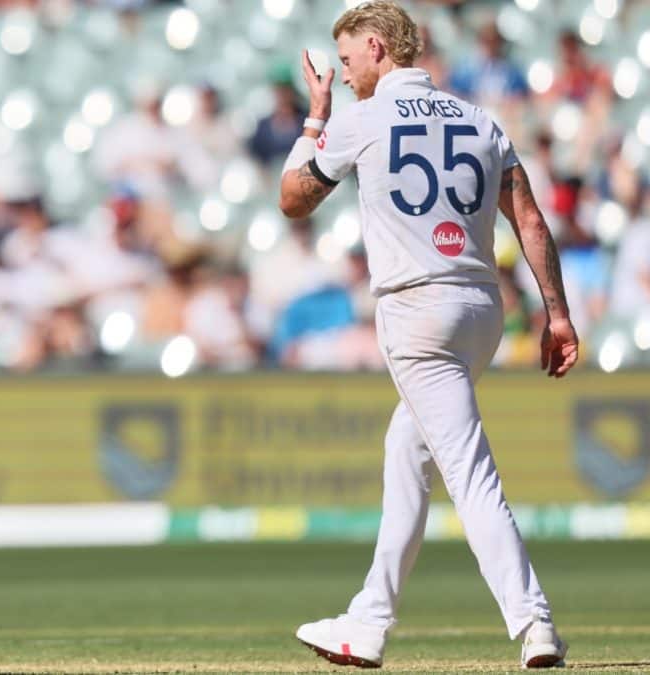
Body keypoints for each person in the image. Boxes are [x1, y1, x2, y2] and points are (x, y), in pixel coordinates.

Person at [277, 2, 577, 669]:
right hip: (481, 312)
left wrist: (315, 117)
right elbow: (528, 219)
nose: (346, 72)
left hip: (417, 312)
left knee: (469, 473)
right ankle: (368, 620)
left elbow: (293, 198)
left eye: (350, 59)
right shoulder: (479, 119)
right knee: (405, 452)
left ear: (379, 48)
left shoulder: (362, 118)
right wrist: (556, 313)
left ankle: (534, 620)